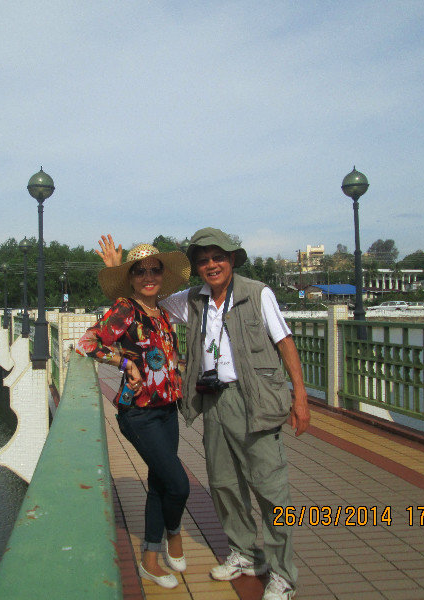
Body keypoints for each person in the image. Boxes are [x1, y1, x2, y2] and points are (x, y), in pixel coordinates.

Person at [97, 229, 310, 600]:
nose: (211, 265)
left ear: (232, 259)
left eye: (218, 257)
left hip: (256, 400)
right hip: (213, 401)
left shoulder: (258, 294)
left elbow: (285, 342)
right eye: (203, 260)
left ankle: (282, 574)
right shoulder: (191, 300)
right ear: (196, 268)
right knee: (224, 484)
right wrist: (119, 275)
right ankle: (244, 553)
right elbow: (140, 303)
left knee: (270, 490)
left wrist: (301, 397)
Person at [75, 244, 192, 590]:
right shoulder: (125, 309)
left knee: (159, 484)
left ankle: (150, 561)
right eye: (140, 271)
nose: (149, 276)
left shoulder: (162, 314)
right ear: (131, 278)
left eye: (155, 270)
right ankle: (173, 536)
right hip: (139, 413)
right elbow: (87, 343)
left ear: (163, 275)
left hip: (167, 409)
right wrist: (125, 364)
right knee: (179, 485)